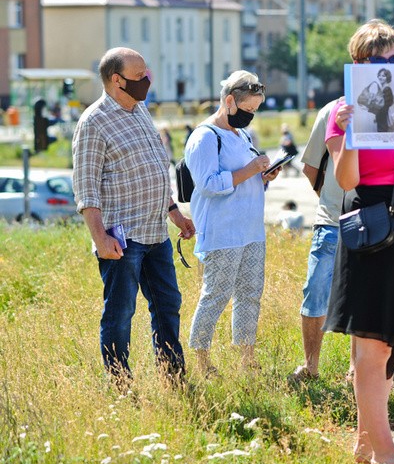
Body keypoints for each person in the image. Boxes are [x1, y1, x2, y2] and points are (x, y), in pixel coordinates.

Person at [325, 19, 394, 464]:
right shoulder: (344, 109)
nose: (391, 66)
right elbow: (346, 180)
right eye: (379, 59)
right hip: (373, 224)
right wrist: (349, 133)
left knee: (390, 343)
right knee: (373, 345)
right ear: (358, 64)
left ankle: (367, 443)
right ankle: (385, 456)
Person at [72, 47, 195, 386]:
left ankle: (173, 376)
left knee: (168, 305)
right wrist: (100, 238)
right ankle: (120, 383)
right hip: (121, 239)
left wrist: (173, 211)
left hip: (156, 232)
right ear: (117, 80)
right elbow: (86, 188)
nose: (147, 81)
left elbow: (152, 167)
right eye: (140, 76)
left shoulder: (139, 110)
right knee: (121, 313)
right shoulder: (93, 122)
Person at [184, 71, 279, 376]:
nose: (251, 115)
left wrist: (263, 176)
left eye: (255, 110)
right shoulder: (205, 137)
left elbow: (244, 180)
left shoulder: (242, 136)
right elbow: (209, 184)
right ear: (229, 101)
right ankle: (201, 362)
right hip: (222, 231)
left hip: (250, 230)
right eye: (248, 109)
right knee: (216, 296)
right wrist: (251, 169)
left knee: (250, 295)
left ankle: (246, 359)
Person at [289, 97, 344, 383]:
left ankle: (348, 369)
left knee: (318, 293)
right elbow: (311, 167)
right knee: (316, 294)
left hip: (351, 221)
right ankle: (314, 367)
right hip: (337, 221)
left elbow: (311, 168)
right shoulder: (332, 110)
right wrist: (329, 201)